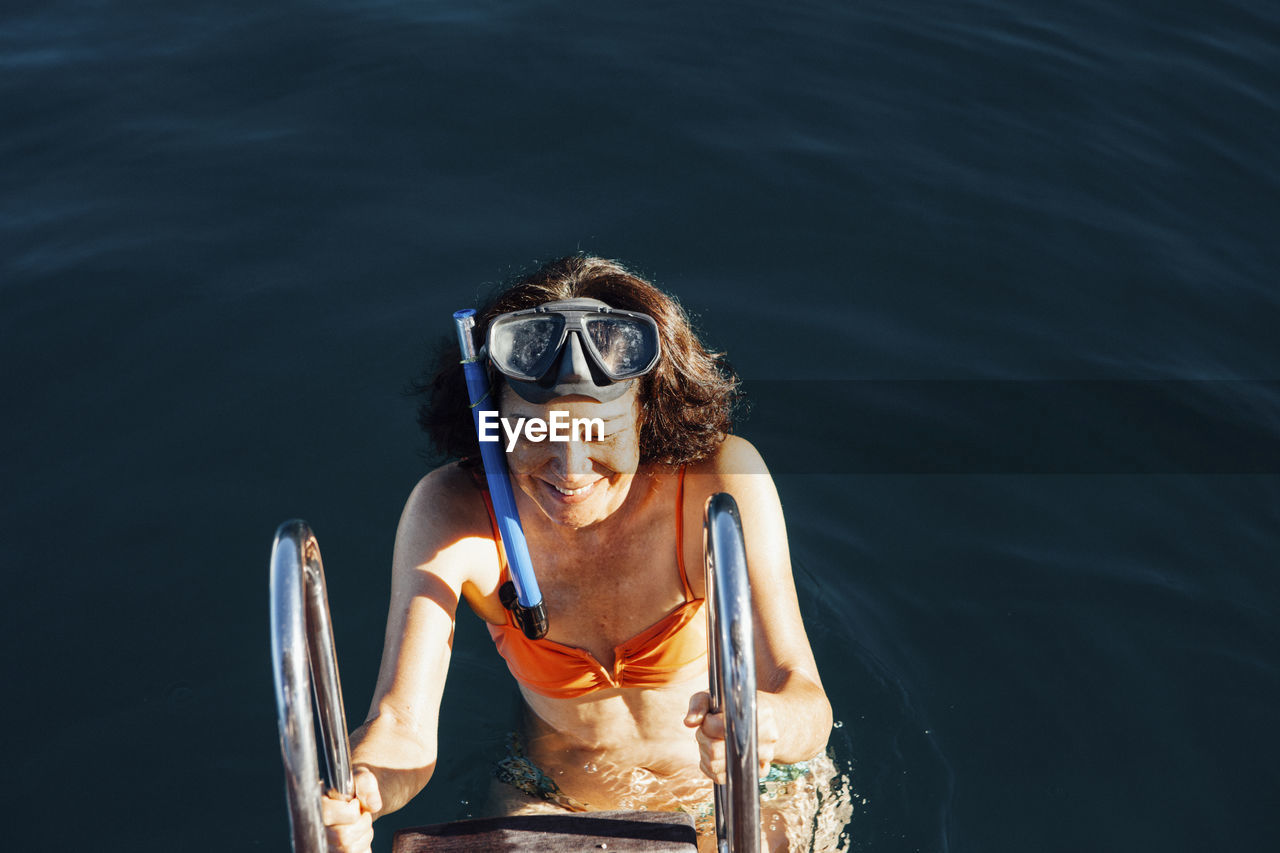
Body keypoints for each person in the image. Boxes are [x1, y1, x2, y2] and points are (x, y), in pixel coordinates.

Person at [322, 255, 833, 852]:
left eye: (600, 432)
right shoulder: (454, 513)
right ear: (493, 421)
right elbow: (403, 727)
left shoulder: (716, 484)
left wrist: (765, 725)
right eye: (534, 431)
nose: (570, 469)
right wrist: (361, 789)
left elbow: (804, 697)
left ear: (644, 413)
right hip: (555, 802)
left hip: (750, 791)